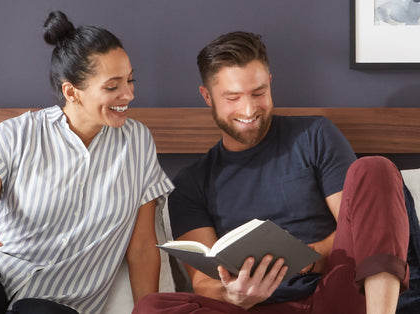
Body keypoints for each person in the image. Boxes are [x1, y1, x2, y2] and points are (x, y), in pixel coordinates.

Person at [132, 31, 411, 314]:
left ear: (270, 83)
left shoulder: (315, 135)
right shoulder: (191, 183)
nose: (249, 109)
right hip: (258, 307)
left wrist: (311, 258)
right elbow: (204, 282)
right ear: (207, 96)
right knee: (151, 307)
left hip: (334, 291)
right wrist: (235, 296)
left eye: (258, 93)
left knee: (375, 167)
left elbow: (357, 227)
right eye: (232, 98)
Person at [0, 10, 173, 314]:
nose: (129, 94)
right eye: (112, 86)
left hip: (54, 307)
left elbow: (142, 248)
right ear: (71, 92)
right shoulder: (17, 135)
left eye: (130, 80)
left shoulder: (138, 143)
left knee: (36, 310)